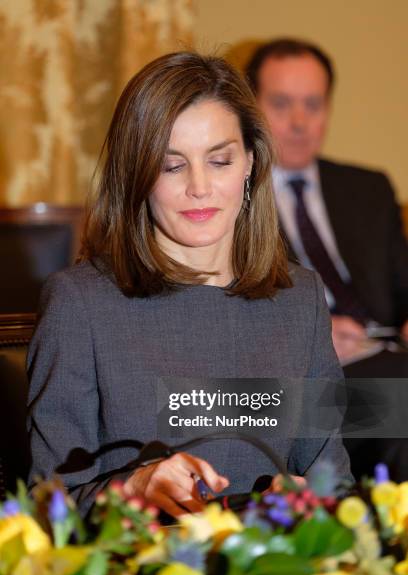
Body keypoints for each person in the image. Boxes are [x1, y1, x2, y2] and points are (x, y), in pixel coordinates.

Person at [27, 51, 351, 519]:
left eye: (219, 160)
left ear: (250, 164)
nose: (199, 187)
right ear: (138, 175)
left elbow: (333, 480)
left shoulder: (299, 300)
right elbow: (44, 510)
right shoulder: (80, 304)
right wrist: (134, 487)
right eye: (172, 166)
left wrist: (314, 503)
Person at [246, 38, 408, 479]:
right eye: (281, 104)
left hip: (390, 361)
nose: (299, 122)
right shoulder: (227, 194)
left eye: (313, 105)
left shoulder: (367, 189)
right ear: (250, 107)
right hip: (304, 391)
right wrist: (310, 336)